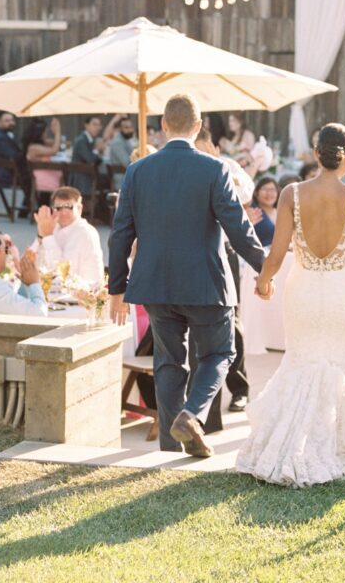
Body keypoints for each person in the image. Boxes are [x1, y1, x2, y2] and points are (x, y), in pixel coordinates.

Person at [236, 124, 345, 487]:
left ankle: (289, 445)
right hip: (344, 291)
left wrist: (264, 281)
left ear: (316, 154)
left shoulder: (291, 193)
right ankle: (342, 445)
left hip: (304, 290)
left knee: (301, 361)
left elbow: (277, 253)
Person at [108, 93, 268, 458]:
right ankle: (190, 416)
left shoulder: (137, 171)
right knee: (219, 354)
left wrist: (116, 287)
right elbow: (239, 228)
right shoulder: (214, 169)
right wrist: (264, 269)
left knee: (168, 363)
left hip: (156, 285)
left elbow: (120, 234)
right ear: (198, 127)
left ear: (163, 126)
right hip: (206, 284)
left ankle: (169, 445)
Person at [195, 127, 257, 413]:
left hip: (225, 250)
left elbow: (246, 190)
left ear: (215, 149)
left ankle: (239, 388)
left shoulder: (227, 167)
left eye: (205, 150)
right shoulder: (186, 166)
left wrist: (221, 172)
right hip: (193, 250)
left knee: (232, 320)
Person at [31, 186, 104, 284]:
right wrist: (41, 235)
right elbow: (30, 261)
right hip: (58, 290)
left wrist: (47, 236)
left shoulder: (85, 232)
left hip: (82, 294)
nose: (63, 212)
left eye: (69, 207)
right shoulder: (54, 227)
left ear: (79, 209)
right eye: (59, 208)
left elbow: (62, 273)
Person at [0, 112, 28, 213]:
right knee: (33, 178)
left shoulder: (7, 136)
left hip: (12, 172)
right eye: (7, 121)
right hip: (6, 174)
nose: (11, 123)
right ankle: (28, 208)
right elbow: (14, 156)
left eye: (12, 120)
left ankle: (27, 208)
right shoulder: (0, 139)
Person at [22, 117, 63, 206]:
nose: (46, 134)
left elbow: (55, 144)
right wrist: (57, 133)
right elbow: (54, 150)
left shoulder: (40, 144)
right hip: (41, 179)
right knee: (69, 179)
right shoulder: (34, 148)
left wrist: (55, 133)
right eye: (45, 132)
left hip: (46, 175)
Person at [70, 116, 106, 197]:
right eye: (94, 124)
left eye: (99, 125)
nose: (97, 128)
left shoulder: (90, 140)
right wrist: (97, 149)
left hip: (88, 176)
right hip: (80, 179)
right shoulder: (81, 141)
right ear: (86, 125)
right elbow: (90, 159)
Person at [107, 117, 137, 189]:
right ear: (120, 129)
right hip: (122, 179)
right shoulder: (117, 143)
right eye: (126, 127)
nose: (129, 130)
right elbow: (127, 163)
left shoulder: (127, 139)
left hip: (130, 177)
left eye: (130, 127)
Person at [251, 177, 279, 249]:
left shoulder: (282, 211)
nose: (269, 193)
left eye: (272, 190)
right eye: (264, 189)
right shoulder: (252, 212)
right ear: (256, 193)